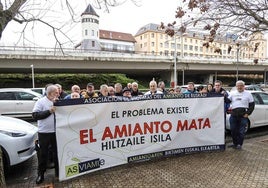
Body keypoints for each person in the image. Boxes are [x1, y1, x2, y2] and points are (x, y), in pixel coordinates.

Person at [32, 85, 59, 184]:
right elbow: (35, 115)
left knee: (57, 153)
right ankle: (41, 174)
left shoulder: (57, 101)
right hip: (44, 133)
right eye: (56, 92)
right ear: (51, 93)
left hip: (56, 132)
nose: (58, 94)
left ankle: (58, 172)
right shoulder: (41, 102)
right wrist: (49, 111)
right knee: (43, 154)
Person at [227, 80, 255, 150]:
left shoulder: (248, 94)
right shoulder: (232, 93)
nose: (239, 87)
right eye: (238, 86)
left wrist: (248, 113)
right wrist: (222, 95)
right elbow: (227, 101)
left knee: (241, 131)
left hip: (243, 115)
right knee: (233, 130)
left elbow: (252, 105)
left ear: (243, 86)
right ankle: (235, 143)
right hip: (234, 114)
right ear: (236, 86)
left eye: (241, 86)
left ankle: (239, 144)